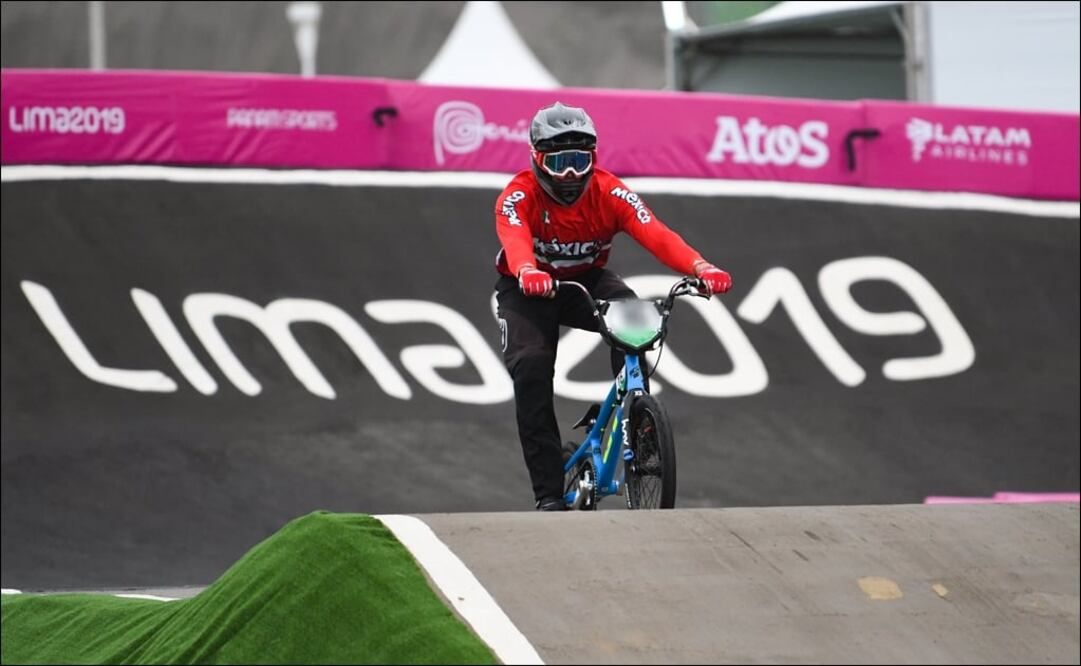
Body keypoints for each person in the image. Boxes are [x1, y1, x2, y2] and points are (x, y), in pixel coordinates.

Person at [493, 101, 732, 511]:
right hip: (529, 289)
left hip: (586, 280)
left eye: (579, 160)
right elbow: (515, 242)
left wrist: (700, 265)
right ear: (537, 160)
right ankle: (549, 493)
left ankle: (638, 431)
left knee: (636, 324)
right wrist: (528, 271)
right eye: (559, 162)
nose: (570, 174)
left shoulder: (610, 191)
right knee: (531, 368)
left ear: (594, 159)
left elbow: (656, 234)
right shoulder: (518, 196)